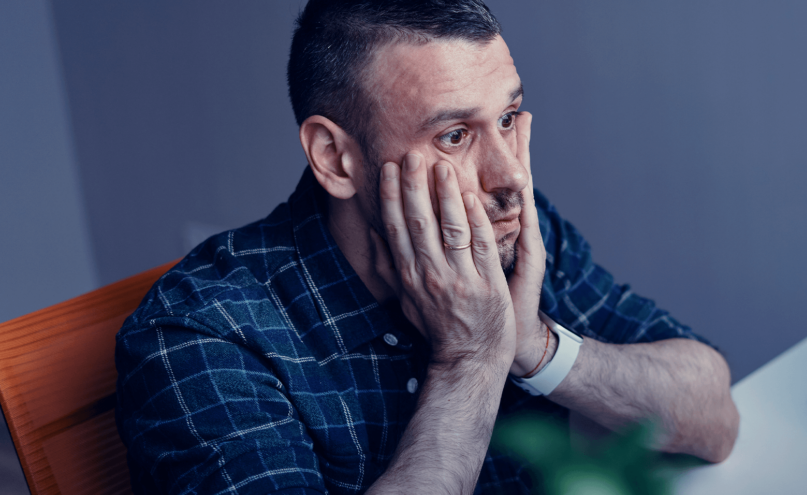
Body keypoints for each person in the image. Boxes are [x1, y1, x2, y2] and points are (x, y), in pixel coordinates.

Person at [115, 1, 739, 493]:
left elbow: (714, 418)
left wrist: (534, 347)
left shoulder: (507, 229)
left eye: (506, 119)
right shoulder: (201, 337)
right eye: (454, 135)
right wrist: (471, 358)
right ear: (335, 158)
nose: (511, 179)